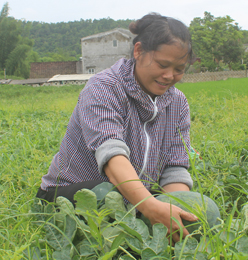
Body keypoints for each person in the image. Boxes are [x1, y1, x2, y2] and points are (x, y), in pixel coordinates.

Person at [36, 13, 197, 242]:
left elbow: (174, 168)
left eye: (179, 69)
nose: (169, 76)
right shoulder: (104, 87)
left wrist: (173, 210)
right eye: (162, 65)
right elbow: (112, 156)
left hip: (131, 195)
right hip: (69, 192)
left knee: (197, 211)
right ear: (138, 51)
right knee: (107, 197)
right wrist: (149, 206)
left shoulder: (177, 103)